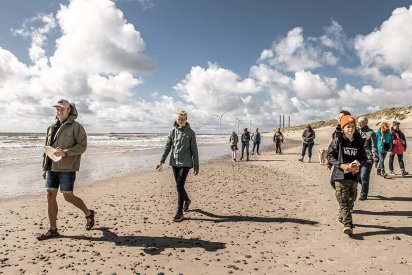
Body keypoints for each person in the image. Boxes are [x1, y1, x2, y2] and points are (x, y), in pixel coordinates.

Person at [37, 99, 95, 240]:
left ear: (69, 110)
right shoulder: (51, 128)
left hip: (67, 167)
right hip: (51, 167)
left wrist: (65, 152)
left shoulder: (77, 127)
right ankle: (53, 230)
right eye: (57, 108)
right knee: (50, 195)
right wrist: (45, 167)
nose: (59, 111)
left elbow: (82, 146)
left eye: (62, 108)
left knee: (68, 196)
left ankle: (88, 213)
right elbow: (46, 148)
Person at [156, 110, 199, 222]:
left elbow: (194, 150)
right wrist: (161, 161)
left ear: (186, 120)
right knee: (179, 186)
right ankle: (187, 200)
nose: (180, 121)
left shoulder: (191, 133)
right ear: (177, 120)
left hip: (186, 163)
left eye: (183, 119)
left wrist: (196, 166)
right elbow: (167, 147)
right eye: (179, 119)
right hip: (175, 162)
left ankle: (179, 211)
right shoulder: (172, 132)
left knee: (179, 186)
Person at [327, 115, 367, 236]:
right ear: (343, 128)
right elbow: (330, 156)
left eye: (353, 126)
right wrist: (341, 165)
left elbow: (364, 157)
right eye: (348, 127)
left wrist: (358, 165)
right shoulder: (338, 140)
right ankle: (348, 225)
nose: (351, 129)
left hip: (353, 176)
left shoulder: (359, 142)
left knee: (352, 200)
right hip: (340, 176)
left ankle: (342, 217)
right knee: (344, 202)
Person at [357, 116, 379, 200]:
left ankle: (364, 194)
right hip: (357, 158)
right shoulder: (355, 131)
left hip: (368, 158)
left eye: (362, 122)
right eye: (359, 122)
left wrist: (376, 159)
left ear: (366, 123)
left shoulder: (371, 133)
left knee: (364, 176)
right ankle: (364, 186)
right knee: (358, 177)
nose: (360, 123)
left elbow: (374, 147)